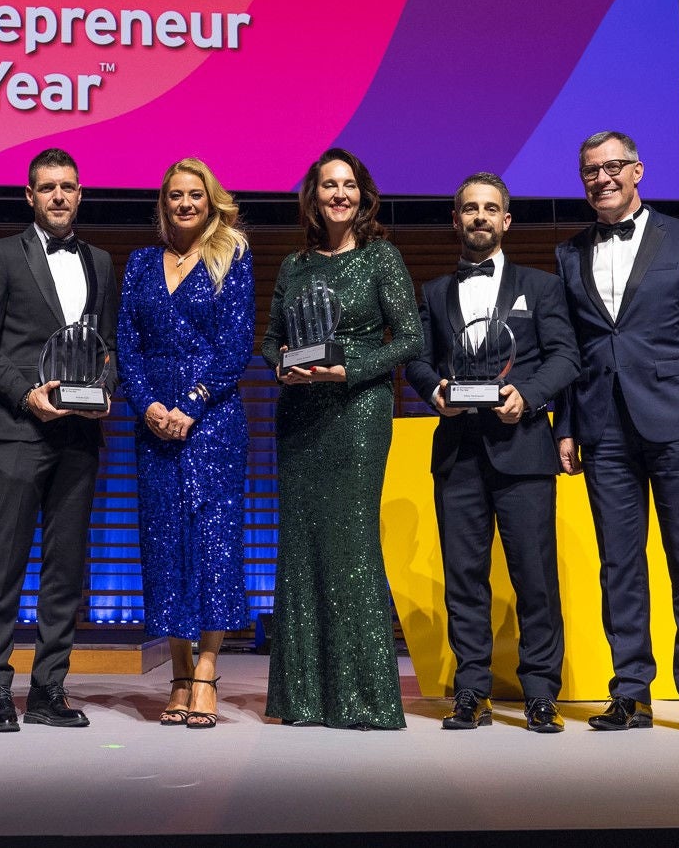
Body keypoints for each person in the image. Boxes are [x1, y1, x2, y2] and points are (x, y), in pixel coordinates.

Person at [555, 130, 679, 736]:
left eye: (613, 166)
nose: (602, 178)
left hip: (677, 423)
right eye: (591, 170)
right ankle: (630, 692)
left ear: (638, 171)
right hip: (603, 428)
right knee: (618, 565)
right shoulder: (569, 253)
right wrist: (567, 426)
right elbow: (571, 350)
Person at [403, 172, 579, 734]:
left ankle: (541, 693)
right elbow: (417, 359)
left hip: (524, 451)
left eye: (489, 208)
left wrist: (528, 395)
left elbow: (566, 357)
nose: (479, 216)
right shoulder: (433, 292)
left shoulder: (542, 286)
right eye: (469, 208)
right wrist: (434, 391)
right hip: (458, 453)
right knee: (464, 578)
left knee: (536, 577)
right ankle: (471, 690)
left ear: (506, 220)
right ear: (455, 220)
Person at [259, 148, 421, 730]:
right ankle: (303, 699)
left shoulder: (381, 257)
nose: (339, 194)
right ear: (314, 196)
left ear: (363, 194)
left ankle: (363, 699)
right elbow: (270, 339)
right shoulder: (295, 265)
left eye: (348, 184)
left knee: (352, 545)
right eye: (329, 185)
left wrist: (347, 369)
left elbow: (410, 338)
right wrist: (281, 365)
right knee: (302, 546)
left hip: (358, 412)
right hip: (300, 414)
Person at [0, 148, 118, 732]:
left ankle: (50, 687)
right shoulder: (1, 254)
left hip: (80, 434)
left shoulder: (100, 260)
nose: (59, 196)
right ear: (29, 195)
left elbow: (107, 346)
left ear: (80, 194)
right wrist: (26, 395)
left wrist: (105, 389)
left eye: (68, 186)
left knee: (65, 567)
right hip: (19, 430)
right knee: (3, 564)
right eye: (48, 187)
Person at [117, 157, 254, 729]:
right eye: (175, 195)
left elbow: (236, 345)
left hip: (213, 422)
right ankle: (177, 673)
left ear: (211, 200)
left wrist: (192, 404)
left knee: (214, 542)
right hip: (153, 424)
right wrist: (147, 404)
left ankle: (206, 673)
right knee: (165, 545)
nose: (185, 204)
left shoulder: (232, 257)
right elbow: (126, 343)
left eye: (195, 194)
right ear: (163, 203)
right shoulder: (140, 263)